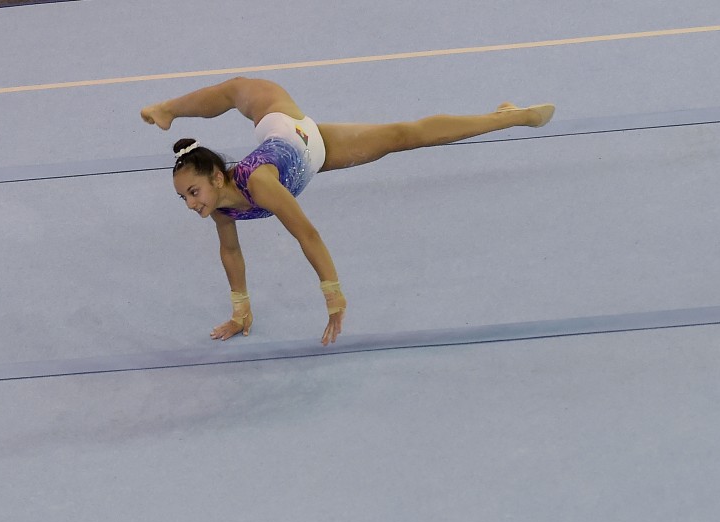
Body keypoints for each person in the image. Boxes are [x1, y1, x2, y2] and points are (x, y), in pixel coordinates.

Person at [140, 77, 554, 346]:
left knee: (403, 134)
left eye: (194, 192)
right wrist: (240, 310)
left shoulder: (258, 182)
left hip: (283, 121)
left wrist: (332, 292)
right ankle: (505, 114)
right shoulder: (219, 207)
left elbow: (308, 235)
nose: (193, 205)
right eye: (185, 199)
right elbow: (230, 252)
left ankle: (511, 118)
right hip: (313, 150)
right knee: (402, 137)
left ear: (216, 176)